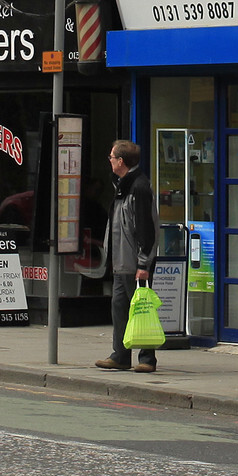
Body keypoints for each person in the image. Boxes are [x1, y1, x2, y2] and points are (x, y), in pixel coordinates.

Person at [95, 138, 158, 373]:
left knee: (141, 310)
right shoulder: (121, 184)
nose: (109, 160)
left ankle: (147, 359)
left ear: (121, 161)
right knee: (119, 308)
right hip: (121, 261)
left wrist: (144, 263)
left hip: (134, 262)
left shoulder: (139, 187)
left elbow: (146, 228)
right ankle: (120, 355)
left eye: (111, 157)